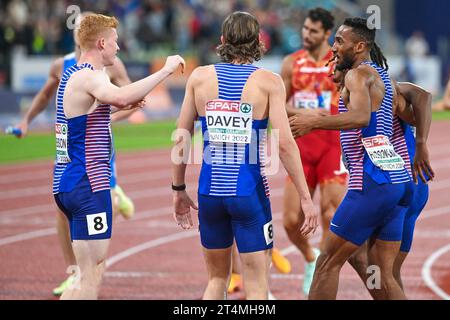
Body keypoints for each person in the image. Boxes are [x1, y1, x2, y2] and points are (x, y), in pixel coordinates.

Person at [171, 11, 318, 300]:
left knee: (216, 280)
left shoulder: (199, 77)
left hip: (209, 192)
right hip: (247, 193)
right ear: (259, 41)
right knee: (256, 284)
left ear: (223, 40)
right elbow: (285, 144)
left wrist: (178, 189)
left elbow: (181, 138)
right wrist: (305, 197)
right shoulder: (268, 82)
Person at [53, 13, 185, 299]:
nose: (119, 48)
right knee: (91, 276)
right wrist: (166, 70)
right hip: (87, 183)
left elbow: (91, 118)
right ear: (101, 43)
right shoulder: (88, 76)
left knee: (85, 275)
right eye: (115, 42)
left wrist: (114, 108)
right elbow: (122, 96)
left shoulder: (75, 75)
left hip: (72, 181)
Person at [289, 17, 417, 300]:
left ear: (359, 46)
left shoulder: (357, 75)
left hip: (372, 184)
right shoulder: (382, 75)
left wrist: (314, 123)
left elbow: (360, 117)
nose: (332, 47)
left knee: (325, 264)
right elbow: (421, 100)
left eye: (339, 41)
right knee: (377, 270)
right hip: (397, 181)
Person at [14, 12, 136, 296]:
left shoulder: (108, 66)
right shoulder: (65, 66)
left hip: (90, 159)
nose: (117, 46)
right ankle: (75, 271)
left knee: (89, 245)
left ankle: (115, 200)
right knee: (82, 248)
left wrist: (115, 111)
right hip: (79, 164)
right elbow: (46, 95)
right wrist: (26, 120)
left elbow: (124, 96)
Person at [331, 66, 434, 298]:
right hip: (404, 184)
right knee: (384, 270)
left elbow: (424, 97)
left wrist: (421, 144)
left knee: (381, 269)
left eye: (335, 62)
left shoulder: (386, 90)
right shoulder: (365, 92)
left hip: (400, 182)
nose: (329, 69)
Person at [280, 7, 346, 296]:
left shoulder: (340, 64)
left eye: (313, 31)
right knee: (291, 220)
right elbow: (278, 103)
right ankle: (311, 257)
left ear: (327, 34)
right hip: (301, 147)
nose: (306, 35)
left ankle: (324, 269)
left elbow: (352, 101)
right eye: (305, 29)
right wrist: (308, 112)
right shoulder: (291, 63)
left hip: (332, 145)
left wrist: (325, 116)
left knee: (331, 215)